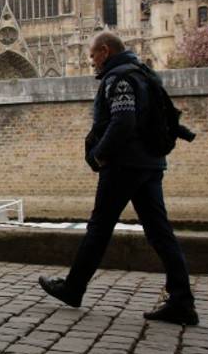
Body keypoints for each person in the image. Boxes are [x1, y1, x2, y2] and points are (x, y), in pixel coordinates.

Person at [39, 31, 198, 326]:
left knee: (99, 228)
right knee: (160, 232)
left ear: (105, 51)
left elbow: (122, 121)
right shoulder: (143, 73)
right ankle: (182, 300)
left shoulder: (120, 79)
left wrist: (100, 154)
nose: (91, 63)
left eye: (92, 56)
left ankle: (73, 288)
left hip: (125, 164)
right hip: (150, 163)